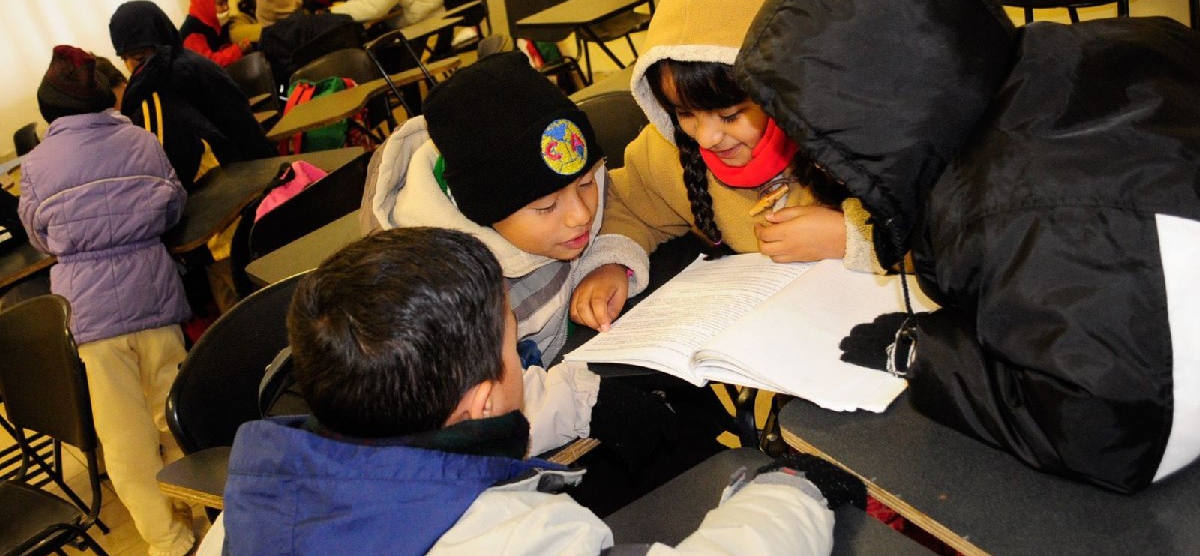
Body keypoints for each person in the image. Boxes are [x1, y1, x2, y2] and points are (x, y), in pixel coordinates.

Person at [737, 0, 1200, 494]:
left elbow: (1110, 434)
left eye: (826, 135)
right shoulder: (1106, 43)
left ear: (875, 109)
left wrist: (924, 354)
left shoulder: (1014, 215)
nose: (824, 162)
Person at [198, 227, 853, 555]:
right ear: (480, 401)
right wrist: (792, 494)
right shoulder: (526, 539)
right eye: (516, 350)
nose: (524, 361)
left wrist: (581, 391)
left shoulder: (242, 517)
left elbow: (423, 460)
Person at [361, 51, 734, 515]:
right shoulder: (437, 292)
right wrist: (586, 402)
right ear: (482, 213)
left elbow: (619, 207)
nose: (580, 214)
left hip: (603, 381)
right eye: (546, 207)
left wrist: (607, 261)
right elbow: (472, 417)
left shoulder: (562, 200)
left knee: (709, 453)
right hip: (524, 472)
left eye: (585, 183)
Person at [571, 0, 882, 333]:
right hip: (780, 340)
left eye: (731, 114)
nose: (706, 138)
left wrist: (851, 238)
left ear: (782, 89)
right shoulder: (667, 153)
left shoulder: (857, 131)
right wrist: (612, 264)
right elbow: (627, 207)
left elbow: (954, 242)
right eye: (684, 113)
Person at [19, 46, 195, 556]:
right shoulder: (141, 139)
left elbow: (40, 236)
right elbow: (172, 203)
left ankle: (168, 539)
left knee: (123, 437)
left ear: (49, 107)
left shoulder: (34, 166)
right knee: (174, 415)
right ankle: (213, 507)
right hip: (156, 296)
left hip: (92, 320)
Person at [109, 0, 275, 188]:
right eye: (124, 59)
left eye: (139, 57)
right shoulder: (185, 64)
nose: (132, 67)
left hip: (242, 178)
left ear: (160, 40)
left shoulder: (174, 77)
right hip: (249, 170)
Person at [256, 0, 357, 93]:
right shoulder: (324, 22)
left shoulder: (267, 47)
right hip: (352, 86)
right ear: (291, 0)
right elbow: (349, 23)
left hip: (306, 100)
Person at [180, 0, 250, 67]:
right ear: (205, 3)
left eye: (226, 2)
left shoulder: (216, 22)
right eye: (221, 4)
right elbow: (208, 64)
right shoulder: (192, 32)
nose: (226, 7)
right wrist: (237, 50)